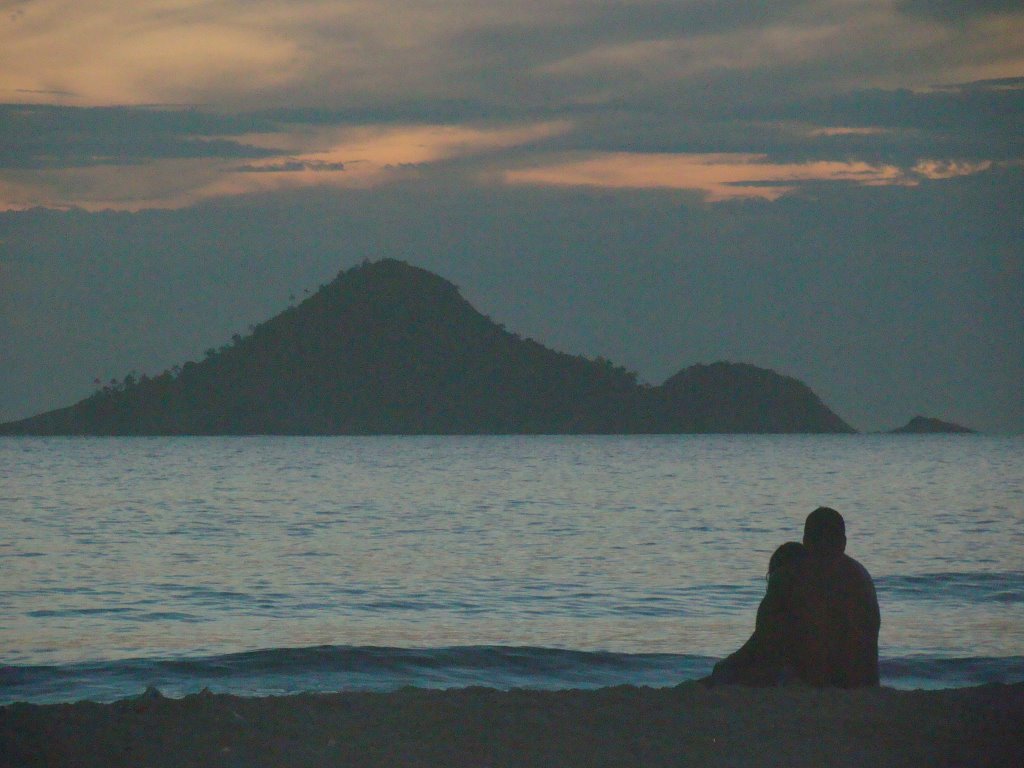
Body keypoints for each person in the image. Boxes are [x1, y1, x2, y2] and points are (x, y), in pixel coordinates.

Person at [787, 506, 880, 687]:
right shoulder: (856, 573)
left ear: (805, 541)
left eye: (826, 540)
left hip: (842, 684)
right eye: (818, 540)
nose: (822, 547)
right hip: (862, 683)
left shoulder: (829, 578)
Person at [707, 541, 806, 686]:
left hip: (784, 673)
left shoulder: (776, 602)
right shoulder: (818, 599)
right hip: (815, 671)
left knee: (723, 674)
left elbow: (755, 646)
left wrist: (726, 664)